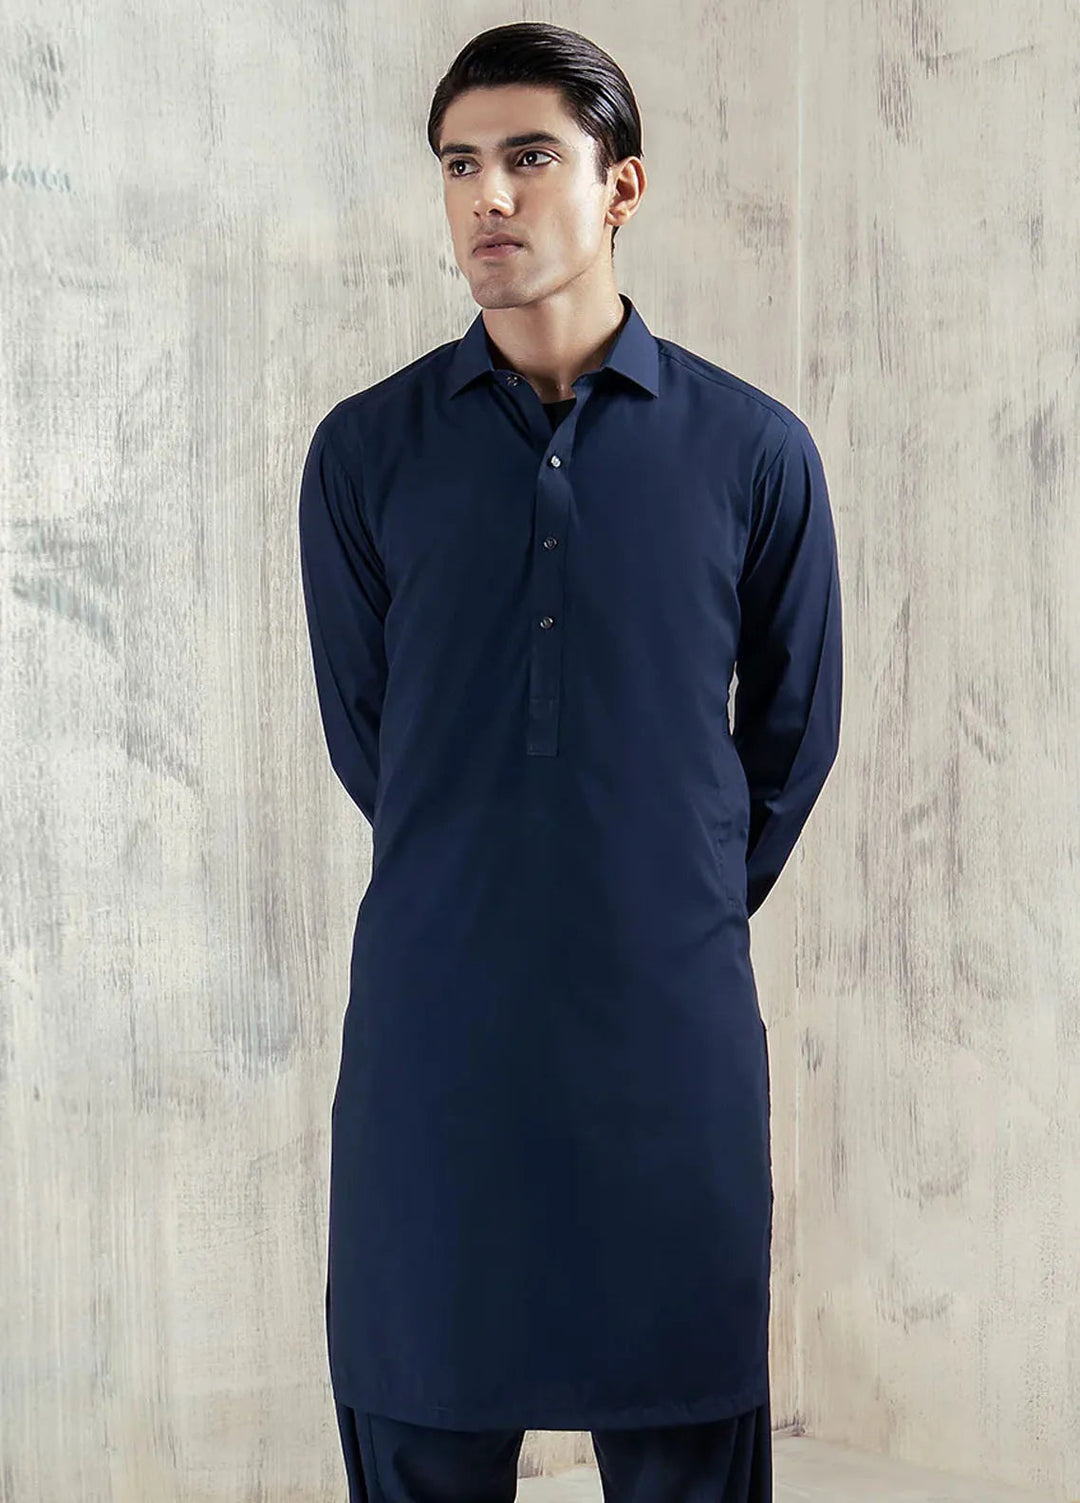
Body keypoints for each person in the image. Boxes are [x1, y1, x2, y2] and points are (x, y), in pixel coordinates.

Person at [297, 21, 843, 1502]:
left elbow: (790, 739)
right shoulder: (365, 455)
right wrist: (494, 869)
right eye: (459, 164)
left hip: (668, 1043)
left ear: (623, 186)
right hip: (437, 1035)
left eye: (531, 156)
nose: (488, 196)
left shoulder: (754, 453)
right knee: (419, 1415)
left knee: (686, 1432)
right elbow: (375, 736)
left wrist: (658, 893)